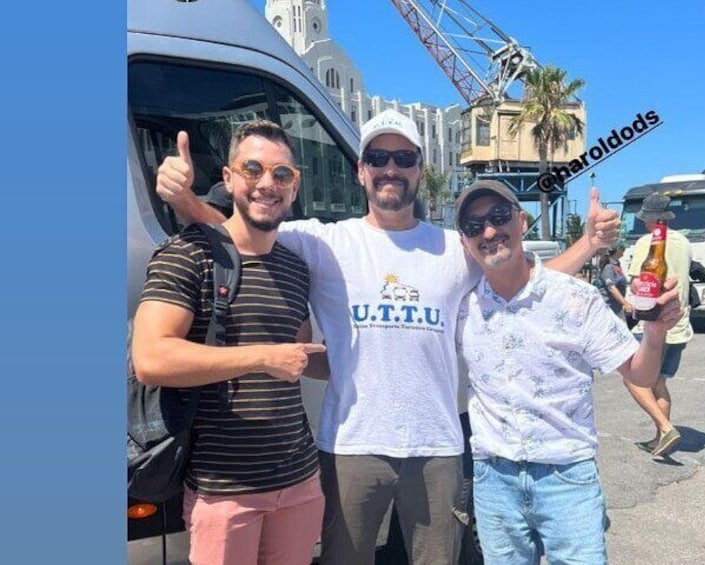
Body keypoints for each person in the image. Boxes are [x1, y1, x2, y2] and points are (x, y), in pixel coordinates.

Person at [156, 110, 622, 565]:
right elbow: (242, 229)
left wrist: (588, 245)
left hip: (438, 448)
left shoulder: (452, 248)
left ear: (420, 170)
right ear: (361, 171)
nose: (391, 169)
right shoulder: (322, 242)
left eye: (404, 159)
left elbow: (518, 280)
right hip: (350, 446)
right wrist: (185, 202)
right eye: (378, 158)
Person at [454, 181, 683, 565]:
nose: (489, 232)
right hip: (494, 478)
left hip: (567, 477)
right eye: (475, 227)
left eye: (498, 217)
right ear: (464, 243)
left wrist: (655, 331)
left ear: (521, 220)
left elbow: (640, 376)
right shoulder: (462, 308)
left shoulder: (576, 298)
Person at [133, 120, 328, 565]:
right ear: (228, 178)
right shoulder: (189, 253)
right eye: (253, 169)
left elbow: (297, 358)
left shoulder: (296, 269)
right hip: (225, 492)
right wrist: (262, 357)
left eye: (282, 174)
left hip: (299, 483)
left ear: (294, 187)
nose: (267, 184)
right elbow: (151, 357)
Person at [624, 192, 694, 459]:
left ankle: (665, 429)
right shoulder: (685, 242)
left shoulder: (647, 243)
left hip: (653, 324)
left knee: (634, 377)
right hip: (679, 323)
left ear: (650, 219)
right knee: (659, 382)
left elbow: (638, 283)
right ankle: (659, 439)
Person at [599, 244, 632, 321]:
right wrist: (625, 303)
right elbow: (612, 288)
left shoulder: (617, 265)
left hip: (617, 307)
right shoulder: (608, 267)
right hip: (608, 307)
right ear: (618, 250)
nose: (624, 251)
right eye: (623, 248)